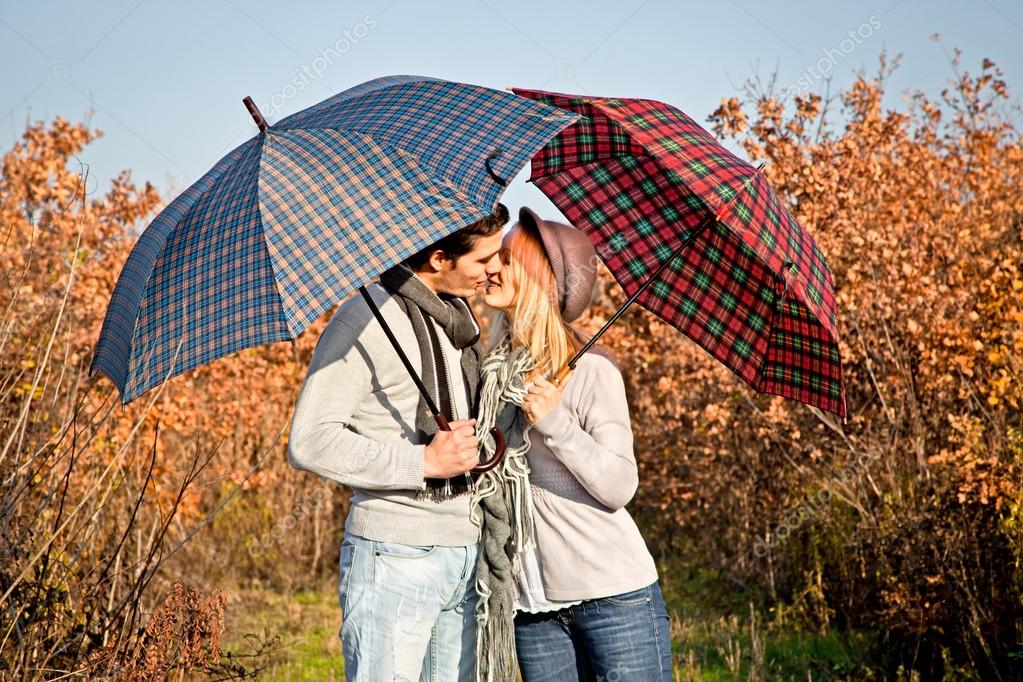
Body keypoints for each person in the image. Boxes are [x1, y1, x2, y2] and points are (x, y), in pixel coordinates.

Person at [287, 204, 509, 681]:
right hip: (395, 556)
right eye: (483, 260)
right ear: (439, 259)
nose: (494, 270)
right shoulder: (365, 319)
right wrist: (421, 461)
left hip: (465, 551)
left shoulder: (459, 323)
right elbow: (309, 441)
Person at [472, 207, 672, 681]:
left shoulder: (591, 370)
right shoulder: (492, 374)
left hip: (614, 598)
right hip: (531, 607)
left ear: (541, 276)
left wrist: (558, 425)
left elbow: (620, 485)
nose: (491, 267)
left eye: (506, 257)